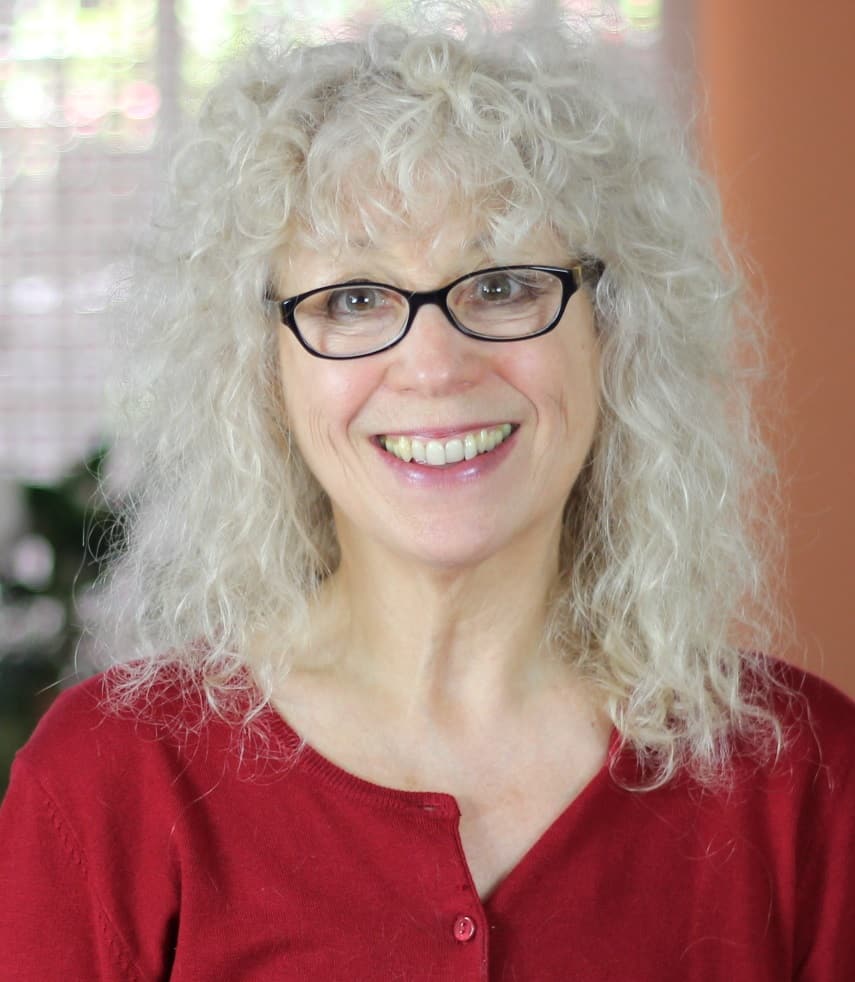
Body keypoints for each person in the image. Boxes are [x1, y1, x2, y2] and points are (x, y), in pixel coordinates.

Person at [1, 2, 853, 978]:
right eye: (354, 299)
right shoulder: (112, 782)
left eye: (502, 285)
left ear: (614, 336)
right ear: (263, 370)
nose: (436, 364)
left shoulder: (805, 781)